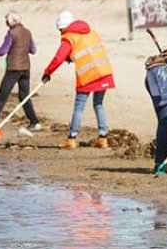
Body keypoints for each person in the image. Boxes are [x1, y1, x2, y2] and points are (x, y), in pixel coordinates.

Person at [42, 11, 115, 149]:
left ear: (63, 27)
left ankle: (72, 138)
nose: (60, 33)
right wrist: (70, 57)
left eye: (60, 30)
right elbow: (86, 50)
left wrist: (47, 72)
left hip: (88, 75)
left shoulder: (69, 37)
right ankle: (103, 138)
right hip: (104, 71)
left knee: (79, 107)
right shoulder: (91, 32)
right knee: (98, 104)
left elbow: (58, 58)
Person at [0, 13, 42, 131]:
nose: (6, 24)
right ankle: (34, 122)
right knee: (24, 96)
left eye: (6, 22)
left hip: (13, 68)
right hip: (25, 68)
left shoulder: (11, 33)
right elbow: (33, 50)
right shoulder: (27, 32)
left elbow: (3, 50)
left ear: (10, 22)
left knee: (2, 96)